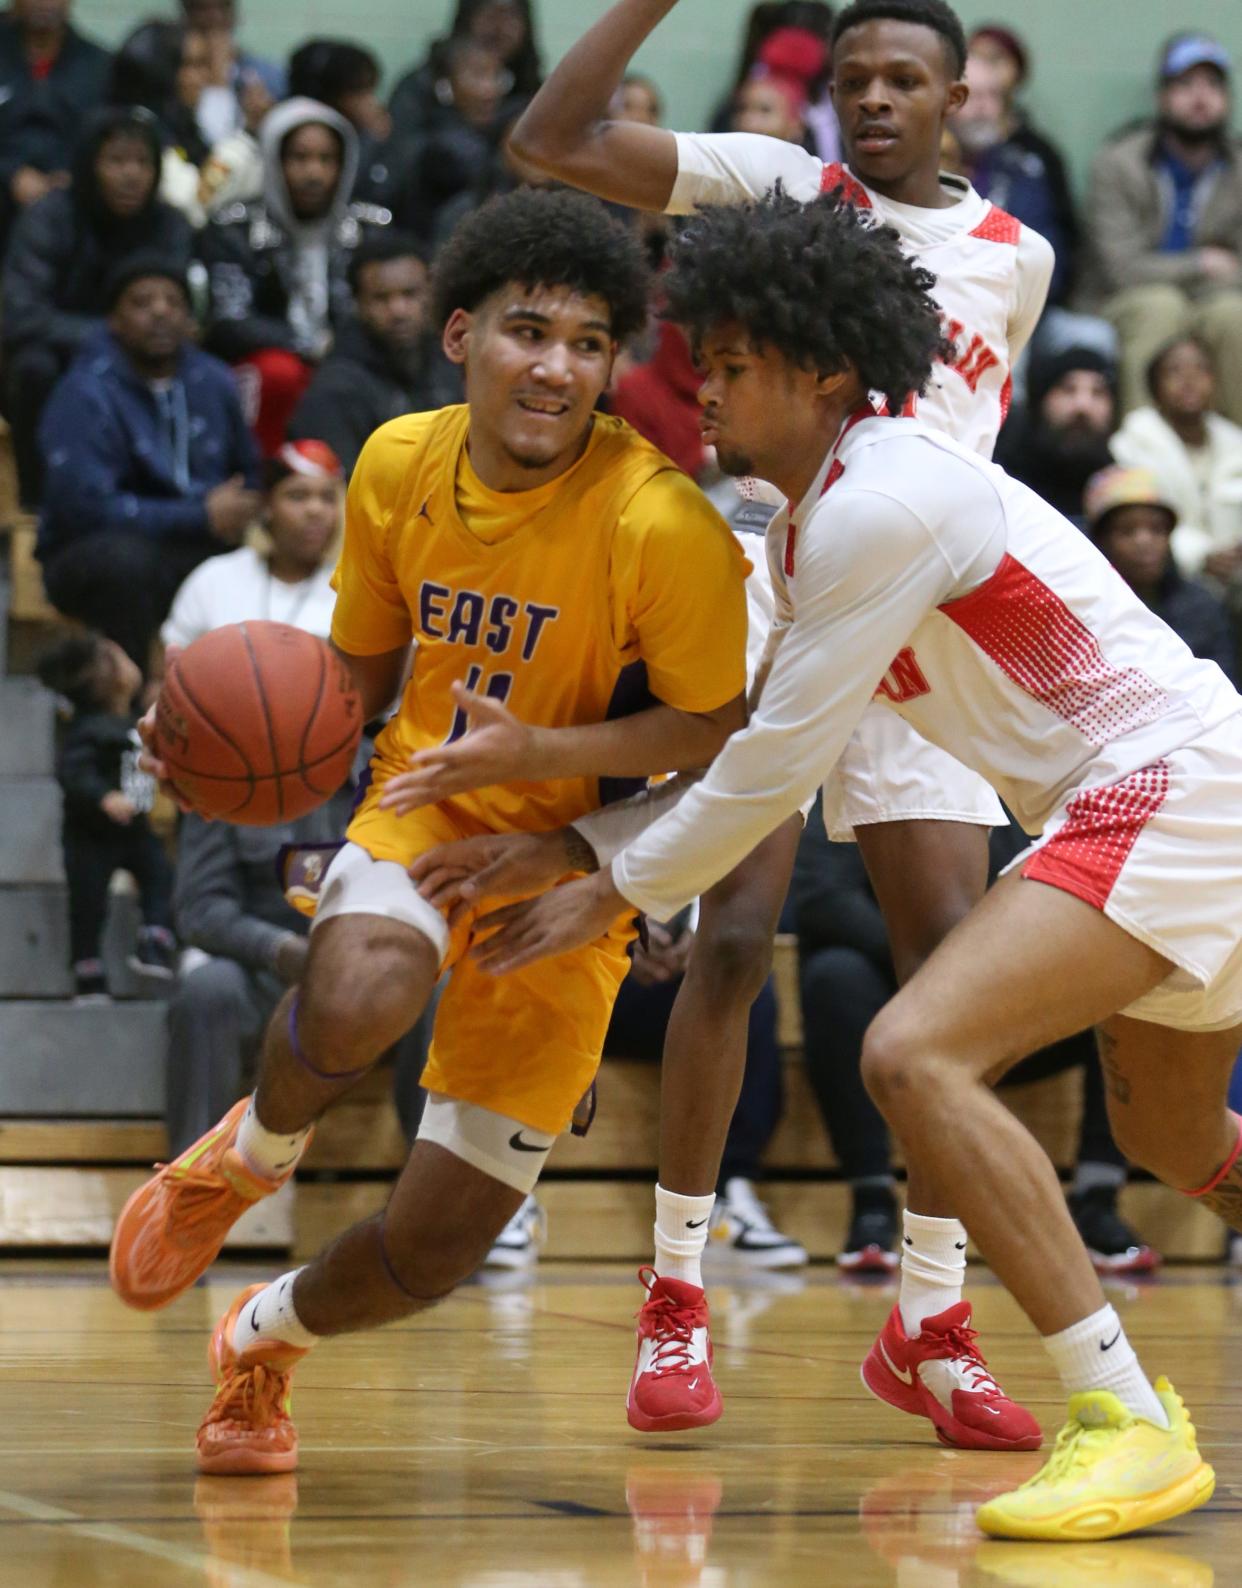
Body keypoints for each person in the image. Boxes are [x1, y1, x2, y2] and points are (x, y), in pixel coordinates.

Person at [449, 189, 1242, 1543]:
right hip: (1166, 799)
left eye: (735, 369)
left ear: (822, 374)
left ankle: (1121, 1420)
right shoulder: (814, 520)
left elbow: (765, 771)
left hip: (1166, 792)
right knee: (1173, 1137)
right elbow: (735, 744)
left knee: (910, 1053)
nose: (702, 396)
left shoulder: (884, 503)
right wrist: (563, 837)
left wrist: (609, 888)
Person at [108, 187, 752, 1477]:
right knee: (357, 991)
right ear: (460, 334)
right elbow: (345, 681)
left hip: (577, 866)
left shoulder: (660, 519)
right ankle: (241, 1161)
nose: (558, 365)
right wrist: (197, 731)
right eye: (529, 330)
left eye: (588, 343)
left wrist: (555, 792)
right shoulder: (398, 459)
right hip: (425, 804)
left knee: (433, 1249)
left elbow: (719, 735)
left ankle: (264, 1337)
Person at [504, 0, 1051, 1444]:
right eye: (852, 76)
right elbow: (547, 142)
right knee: (733, 940)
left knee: (947, 981)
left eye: (902, 78)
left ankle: (930, 1320)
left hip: (932, 630)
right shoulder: (776, 181)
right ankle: (674, 1295)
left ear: (961, 94)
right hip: (776, 592)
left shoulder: (1017, 259)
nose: (872, 97)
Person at [37, 255, 260, 671]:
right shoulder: (84, 391)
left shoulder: (214, 379)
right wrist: (200, 515)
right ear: (114, 319)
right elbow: (86, 510)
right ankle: (131, 702)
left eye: (173, 302)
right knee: (127, 563)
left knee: (255, 565)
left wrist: (243, 505)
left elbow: (247, 470)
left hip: (192, 545)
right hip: (91, 551)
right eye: (142, 302)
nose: (160, 312)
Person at [2, 106, 194, 506]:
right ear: (89, 165)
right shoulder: (49, 217)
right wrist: (107, 335)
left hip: (147, 353)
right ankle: (37, 506)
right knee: (32, 366)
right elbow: (19, 315)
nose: (131, 175)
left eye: (143, 162)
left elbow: (181, 311)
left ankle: (176, 496)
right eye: (117, 160)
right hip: (61, 351)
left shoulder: (170, 225)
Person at [199, 97, 392, 456]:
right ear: (274, 160)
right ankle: (266, 482)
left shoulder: (371, 229)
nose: (313, 174)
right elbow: (230, 321)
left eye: (326, 160)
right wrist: (308, 344)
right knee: (280, 373)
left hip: (352, 361)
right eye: (299, 158)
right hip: (272, 365)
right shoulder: (234, 227)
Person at [1077, 33, 1242, 424]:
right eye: (1185, 85)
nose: (1200, 98)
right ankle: (1142, 461)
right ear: (1162, 97)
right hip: (1120, 301)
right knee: (1160, 306)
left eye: (1212, 86)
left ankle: (1234, 463)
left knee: (1233, 316)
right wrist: (1202, 264)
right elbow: (1122, 270)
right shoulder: (1118, 163)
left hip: (1215, 300)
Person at [36, 630, 175, 999]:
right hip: (91, 837)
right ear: (108, 680)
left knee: (159, 873)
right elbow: (72, 772)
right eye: (119, 658)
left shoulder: (133, 719)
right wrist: (103, 796)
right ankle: (88, 974)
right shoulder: (88, 729)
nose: (131, 661)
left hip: (134, 830)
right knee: (88, 903)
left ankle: (155, 937)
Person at [288, 234, 461, 477]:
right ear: (359, 305)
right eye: (381, 298)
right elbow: (340, 490)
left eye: (410, 294)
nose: (398, 310)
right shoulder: (334, 389)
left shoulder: (456, 364)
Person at [162, 439, 343, 652]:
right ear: (267, 505)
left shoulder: (352, 591)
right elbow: (167, 665)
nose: (316, 510)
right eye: (298, 496)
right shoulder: (215, 578)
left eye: (328, 498)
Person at [1085, 465, 1237, 685]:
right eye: (1127, 531)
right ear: (1101, 541)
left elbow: (1226, 686)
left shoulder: (1201, 605)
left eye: (1157, 529)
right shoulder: (1086, 610)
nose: (1144, 542)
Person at [1110, 336, 1242, 585]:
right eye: (1175, 371)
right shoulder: (1132, 443)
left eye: (1200, 370)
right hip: (1169, 580)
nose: (1189, 381)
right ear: (1155, 387)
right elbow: (1140, 524)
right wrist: (1200, 556)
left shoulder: (1235, 443)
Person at [962, 22, 1078, 303]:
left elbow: (1049, 256)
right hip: (943, 306)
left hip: (1016, 306)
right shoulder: (919, 169)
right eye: (972, 96)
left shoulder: (1025, 169)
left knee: (1093, 338)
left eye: (994, 96)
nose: (984, 107)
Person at [109, 20, 263, 227]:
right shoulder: (137, 129)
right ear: (160, 70)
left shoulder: (180, 125)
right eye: (192, 65)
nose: (205, 77)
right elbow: (190, 205)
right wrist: (245, 139)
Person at [0, 0, 111, 248]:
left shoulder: (99, 65)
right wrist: (11, 174)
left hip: (74, 196)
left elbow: (106, 136)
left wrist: (76, 175)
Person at [389, 0, 542, 146]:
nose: (500, 28)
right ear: (467, 19)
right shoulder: (423, 85)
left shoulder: (531, 91)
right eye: (492, 14)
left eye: (511, 16)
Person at [995, 344, 1117, 525]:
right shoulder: (1001, 475)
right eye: (1068, 389)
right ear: (1041, 401)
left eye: (1098, 393)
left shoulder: (1116, 486)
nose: (1082, 406)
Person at [287, 39, 409, 210]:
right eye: (360, 92)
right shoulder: (291, 134)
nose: (372, 103)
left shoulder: (375, 135)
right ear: (334, 98)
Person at [179, 0, 284, 147]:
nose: (214, 17)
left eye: (222, 6)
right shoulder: (172, 74)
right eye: (202, 9)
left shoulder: (267, 76)